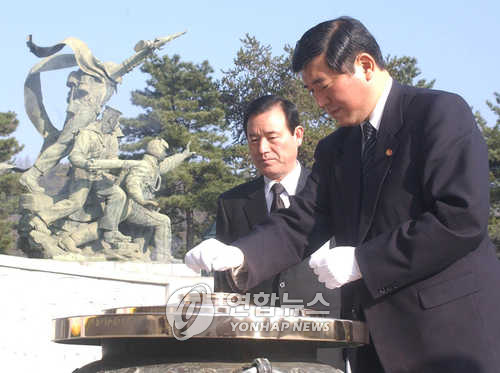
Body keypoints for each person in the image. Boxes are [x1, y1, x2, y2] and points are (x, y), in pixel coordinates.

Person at [185, 16, 500, 373]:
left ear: (364, 65)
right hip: (373, 348)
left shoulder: (437, 114)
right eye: (310, 91)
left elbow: (460, 218)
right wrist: (240, 254)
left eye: (323, 85)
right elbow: (301, 222)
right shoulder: (337, 148)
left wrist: (363, 261)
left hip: (447, 340)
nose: (319, 101)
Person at [215, 95, 343, 369]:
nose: (263, 149)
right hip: (252, 348)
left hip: (322, 345)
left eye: (272, 137)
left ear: (298, 135)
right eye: (253, 139)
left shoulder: (333, 194)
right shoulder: (232, 203)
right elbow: (224, 289)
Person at [30, 105, 130, 245]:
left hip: (99, 176)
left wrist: (121, 166)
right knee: (76, 203)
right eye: (114, 123)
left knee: (119, 195)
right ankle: (40, 219)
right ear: (108, 121)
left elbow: (113, 158)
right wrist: (86, 163)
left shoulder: (111, 137)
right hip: (82, 173)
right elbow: (74, 156)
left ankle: (110, 232)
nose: (115, 127)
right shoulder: (87, 133)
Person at [86, 138, 194, 261]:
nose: (165, 153)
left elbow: (168, 163)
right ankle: (163, 258)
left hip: (136, 207)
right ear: (156, 149)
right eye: (164, 150)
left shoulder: (153, 167)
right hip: (132, 207)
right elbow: (132, 184)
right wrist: (142, 201)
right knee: (164, 221)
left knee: (147, 227)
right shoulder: (144, 166)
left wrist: (183, 155)